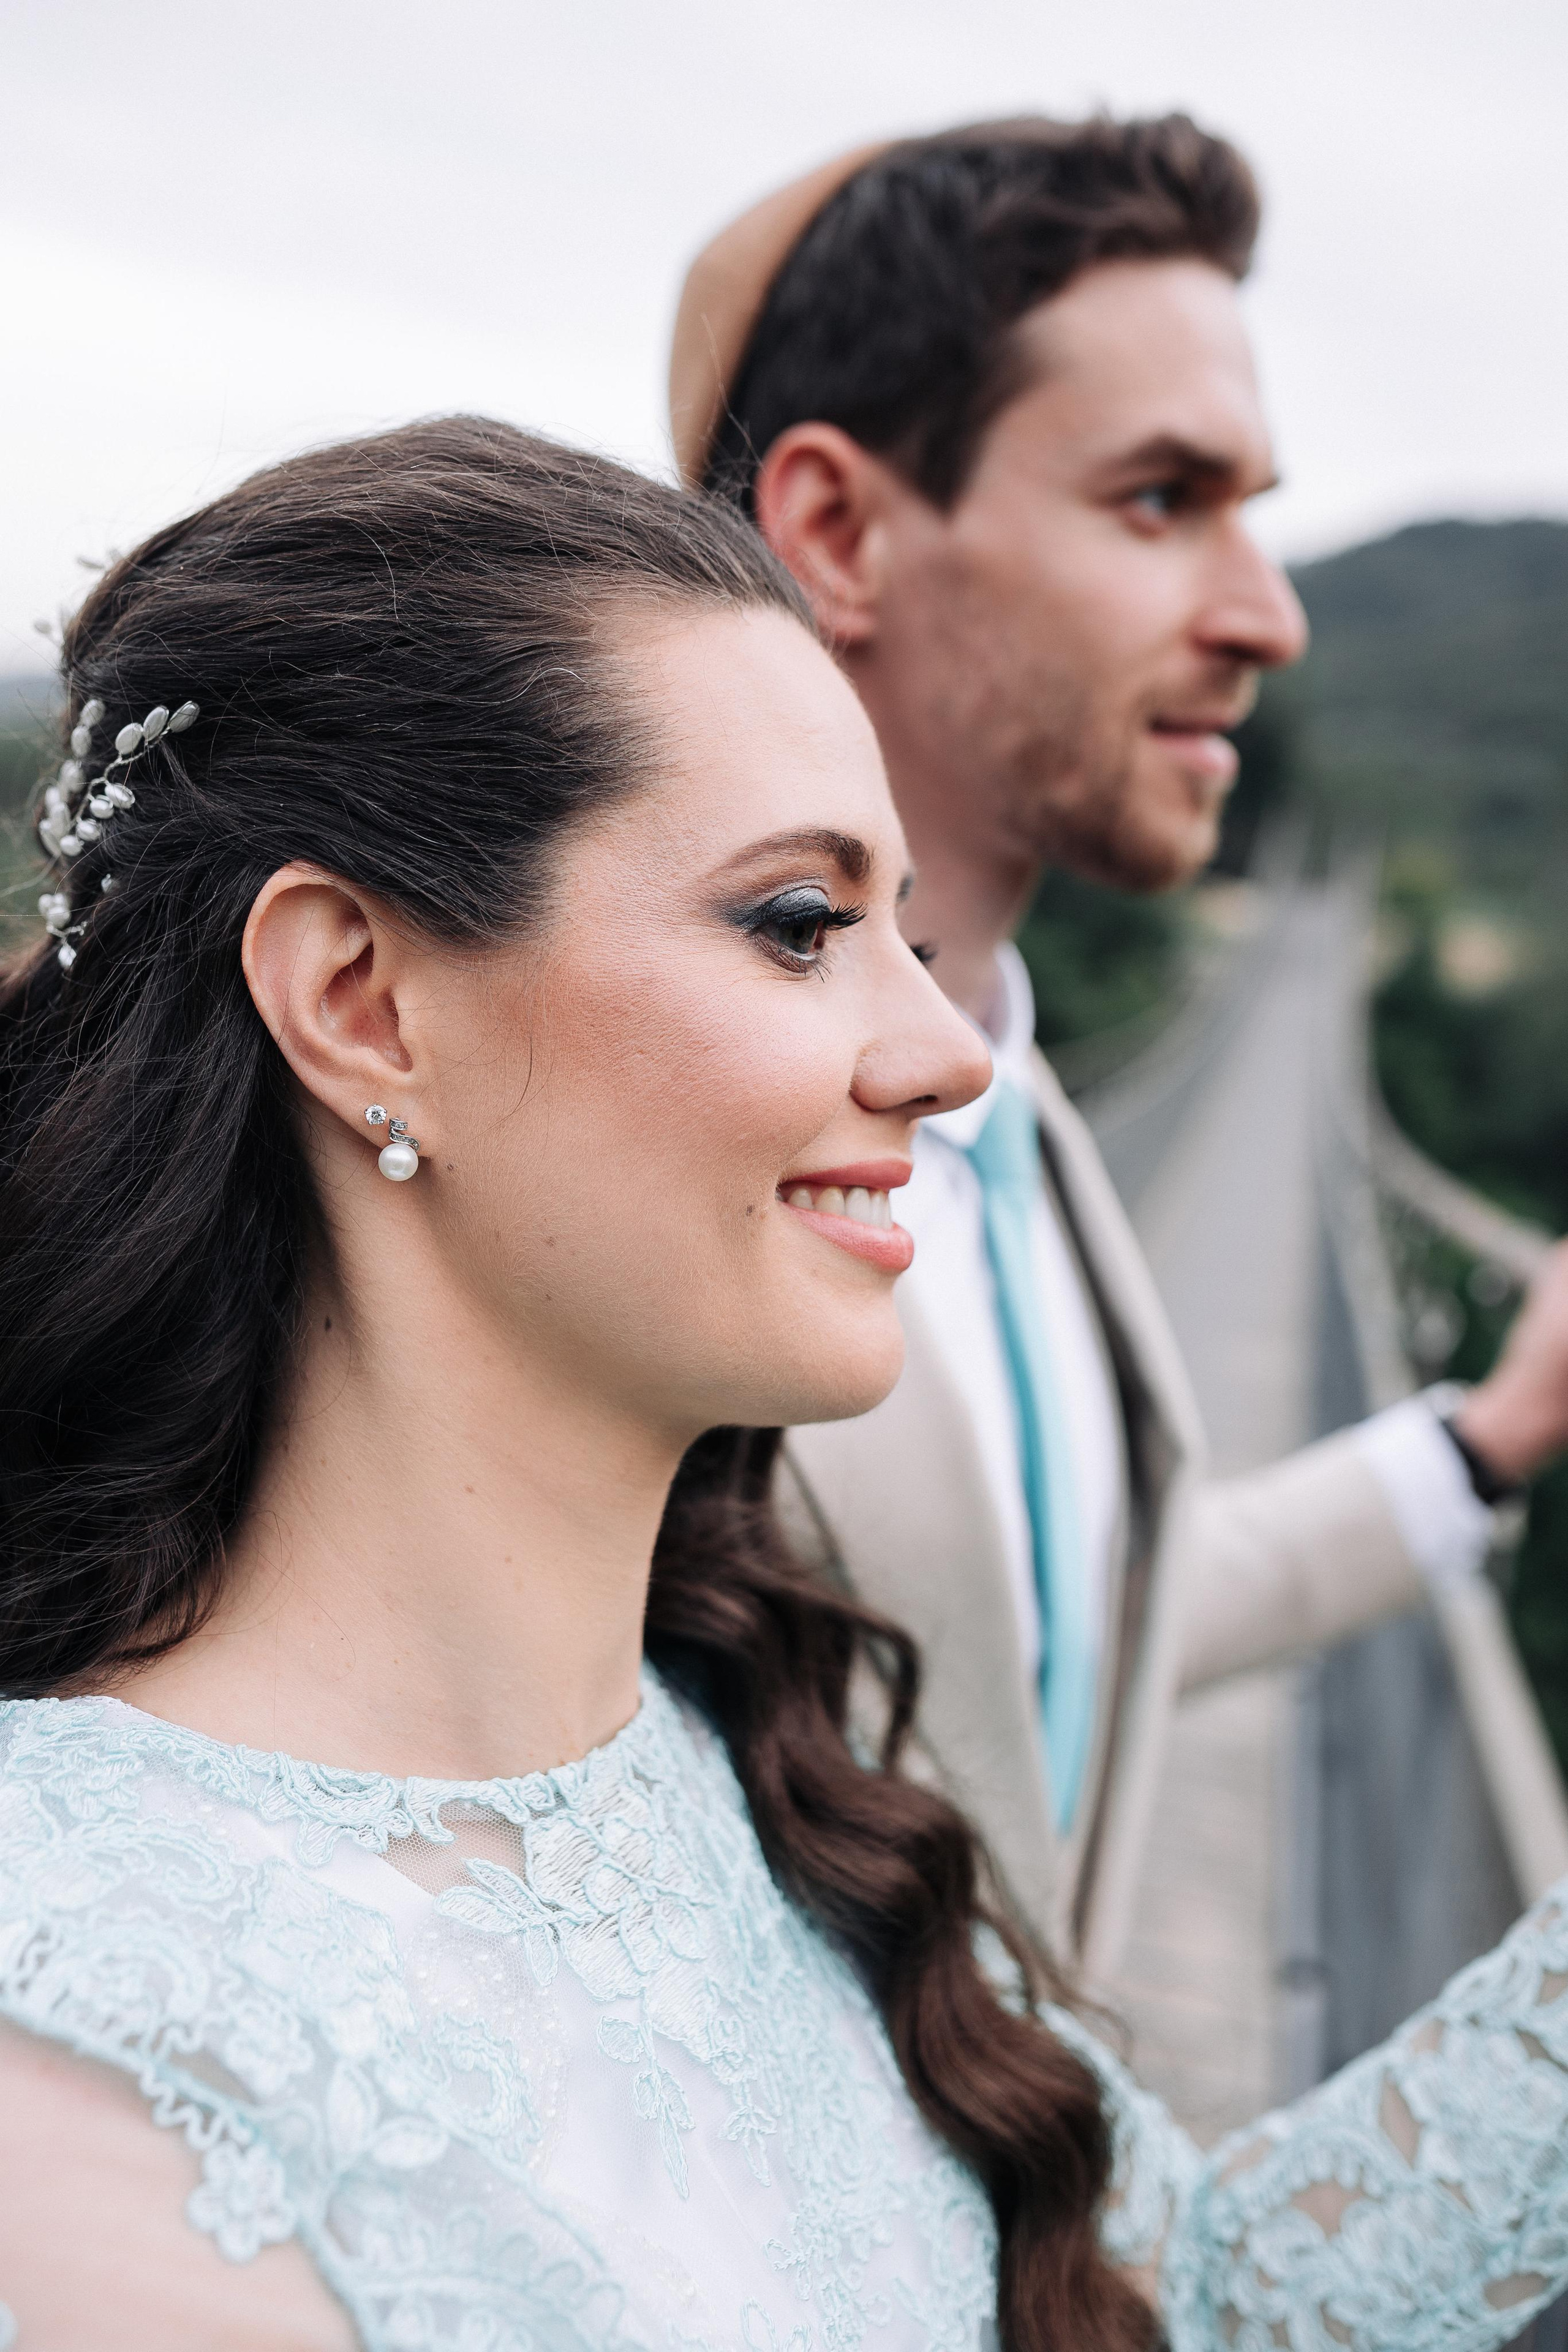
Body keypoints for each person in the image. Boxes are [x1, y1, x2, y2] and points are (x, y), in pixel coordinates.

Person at [4, 416, 1568, 2352]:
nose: (946, 1054)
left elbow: (1209, 2301)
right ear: (360, 1001)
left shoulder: (762, 1752)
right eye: (803, 926)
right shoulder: (80, 2104)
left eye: (904, 936)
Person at [668, 118, 1568, 1972]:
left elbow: (1040, 1622)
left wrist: (1488, 1444)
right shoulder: (626, 1170)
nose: (1270, 613)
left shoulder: (1014, 1104)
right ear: (837, 530)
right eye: (1163, 499)